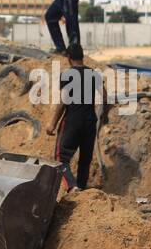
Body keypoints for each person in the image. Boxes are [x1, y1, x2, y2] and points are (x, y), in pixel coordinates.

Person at [46, 42, 107, 191]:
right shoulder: (94, 74)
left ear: (68, 58)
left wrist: (53, 124)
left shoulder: (67, 75)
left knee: (61, 159)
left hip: (72, 121)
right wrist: (103, 117)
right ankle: (81, 188)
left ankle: (72, 187)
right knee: (85, 161)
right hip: (90, 121)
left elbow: (63, 101)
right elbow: (105, 98)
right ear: (82, 56)